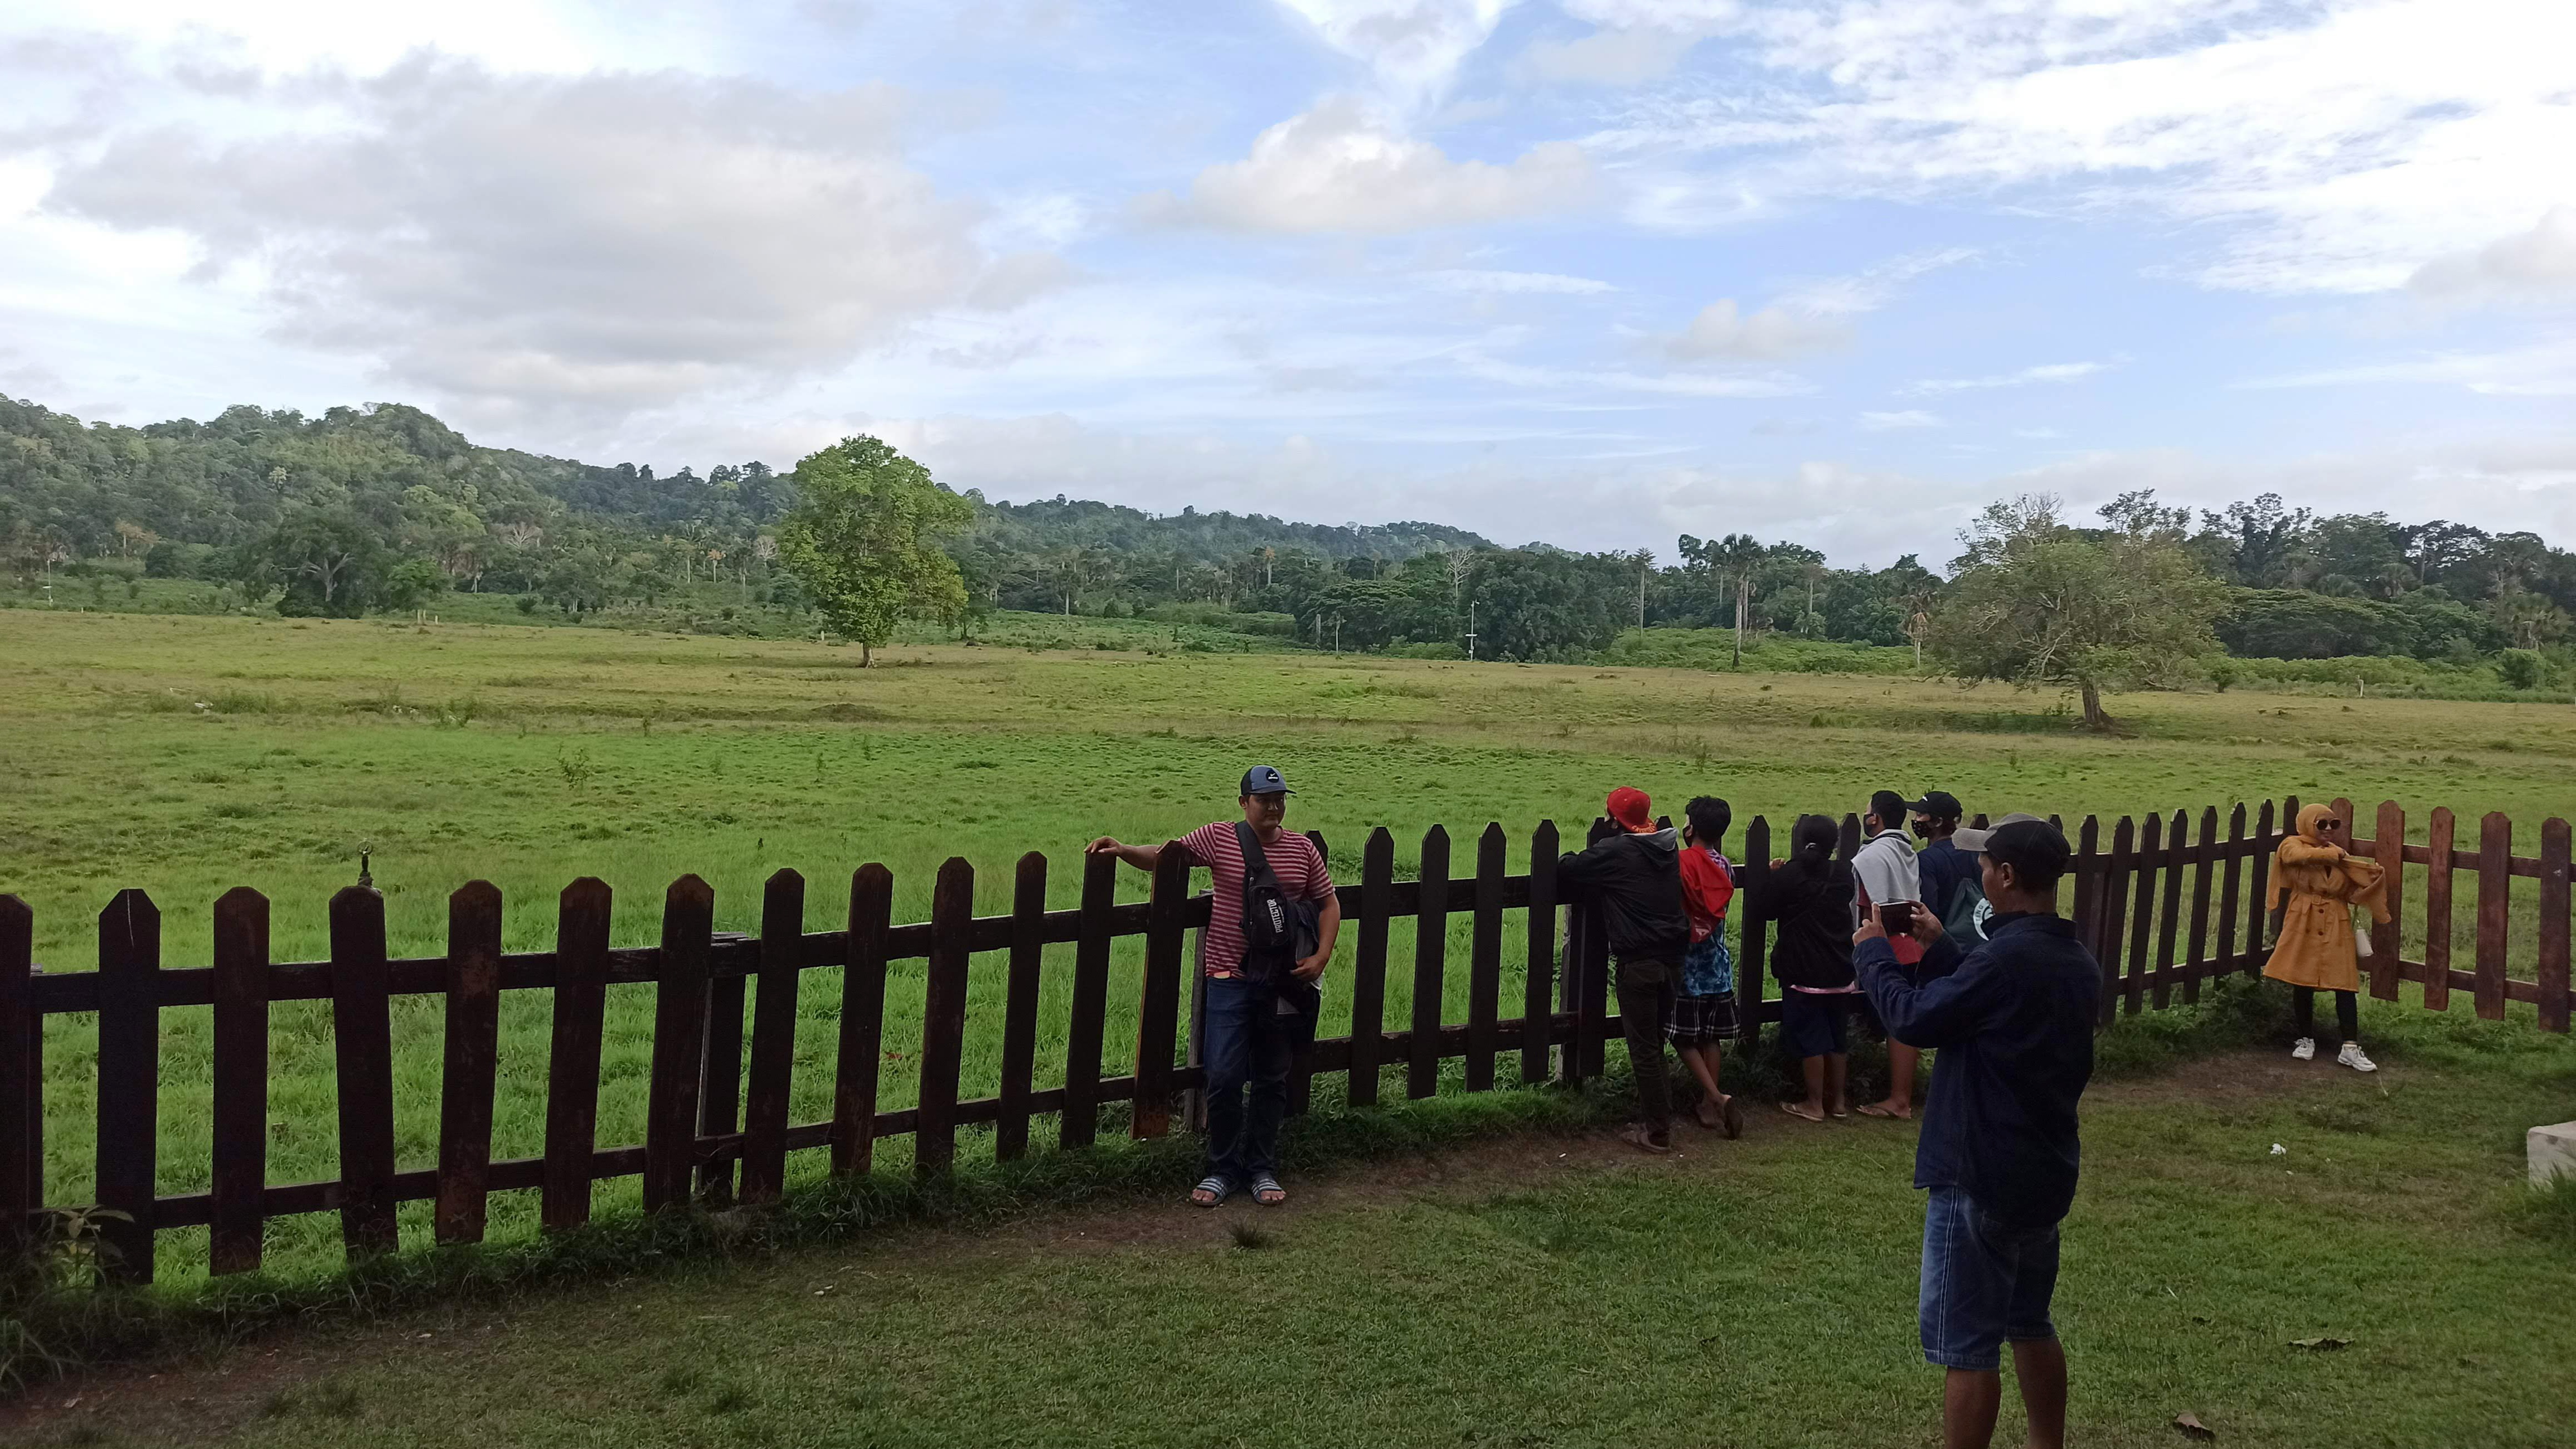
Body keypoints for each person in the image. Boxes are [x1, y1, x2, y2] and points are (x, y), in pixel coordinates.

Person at [1852, 813, 2099, 1449]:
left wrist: (1874, 952)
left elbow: (1913, 1017)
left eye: (1985, 865)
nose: (1979, 872)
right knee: (2029, 1321)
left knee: (1967, 1346)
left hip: (1977, 1172)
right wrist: (1941, 947)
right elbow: (1993, 1006)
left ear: (2008, 875)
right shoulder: (2073, 960)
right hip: (2040, 1168)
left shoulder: (2001, 962)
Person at [1087, 765, 1340, 1208]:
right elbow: (1165, 855)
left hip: (1284, 985)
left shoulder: (1302, 850)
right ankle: (1222, 1169)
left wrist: (1321, 957)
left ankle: (1261, 1169)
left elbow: (1328, 902)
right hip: (1229, 980)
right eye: (1264, 800)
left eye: (1280, 799)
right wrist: (1123, 849)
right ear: (1244, 804)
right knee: (1222, 1078)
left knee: (1271, 1079)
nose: (1274, 807)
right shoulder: (1220, 838)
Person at [1559, 786, 1689, 1153]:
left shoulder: (1617, 851)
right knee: (1656, 1042)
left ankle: (1657, 1132)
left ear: (1614, 820)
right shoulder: (1665, 848)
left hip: (1640, 962)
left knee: (1645, 1049)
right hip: (1673, 958)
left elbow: (1570, 869)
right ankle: (1659, 1118)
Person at [2263, 803, 2391, 1072]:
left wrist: (2369, 880)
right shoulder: (2292, 844)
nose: (2329, 830)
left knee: (2345, 982)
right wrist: (2336, 854)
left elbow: (2355, 885)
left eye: (2334, 825)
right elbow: (2297, 857)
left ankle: (2350, 1048)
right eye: (2322, 825)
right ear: (2309, 824)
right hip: (2303, 917)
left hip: (2336, 919)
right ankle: (2305, 1039)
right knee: (2302, 979)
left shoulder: (2340, 857)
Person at [1770, 814, 1860, 1122]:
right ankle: (1839, 1102)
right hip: (1840, 963)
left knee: (1811, 1035)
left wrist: (1774, 876)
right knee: (1837, 1037)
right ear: (1834, 843)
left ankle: (1813, 1103)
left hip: (1804, 965)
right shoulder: (1843, 873)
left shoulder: (1791, 873)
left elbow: (1767, 909)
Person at [1671, 795, 1744, 1137]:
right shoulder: (1725, 865)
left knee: (1683, 1037)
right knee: (1711, 1037)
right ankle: (1707, 1104)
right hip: (1716, 962)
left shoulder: (1681, 863)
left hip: (1688, 964)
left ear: (1692, 827)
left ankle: (1716, 1098)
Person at [1853, 788, 1926, 1121]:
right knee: (1903, 1021)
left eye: (1869, 812)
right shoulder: (1905, 850)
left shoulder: (1871, 856)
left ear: (1875, 818)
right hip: (1911, 942)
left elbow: (1865, 906)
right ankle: (1902, 1095)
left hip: (1885, 945)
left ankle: (1899, 1100)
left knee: (1897, 1025)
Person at [1910, 791, 1988, 946]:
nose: (1916, 820)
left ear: (1938, 822)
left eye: (1921, 815)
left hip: (1948, 943)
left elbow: (1929, 907)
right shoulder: (1975, 852)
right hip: (1982, 936)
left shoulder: (1927, 859)